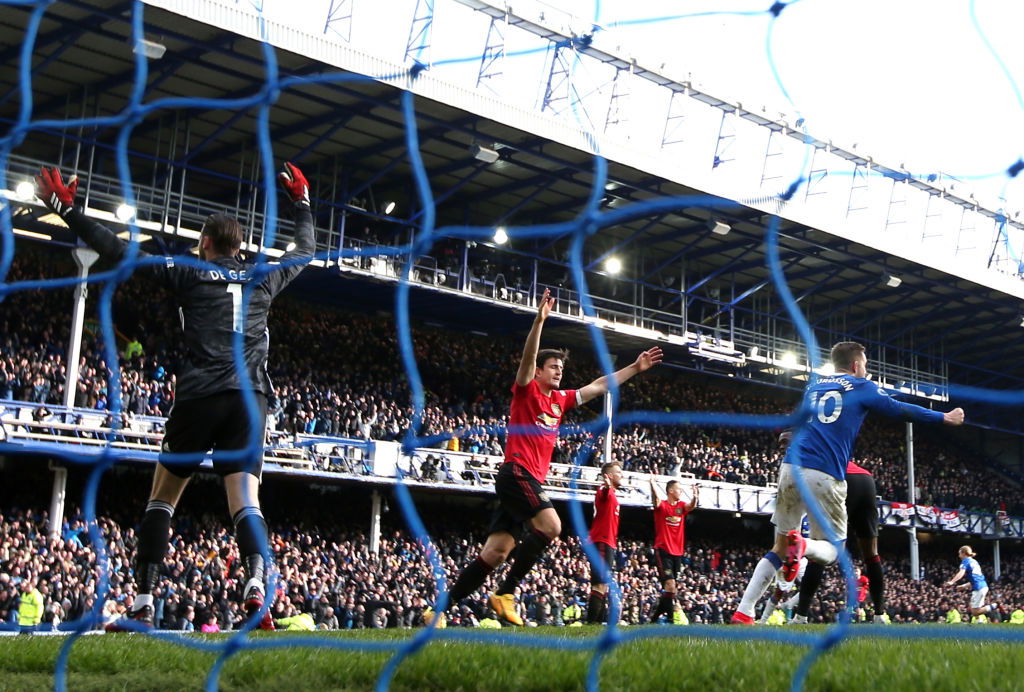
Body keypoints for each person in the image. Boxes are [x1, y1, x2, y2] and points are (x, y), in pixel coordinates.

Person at [35, 162, 315, 631]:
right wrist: (302, 202)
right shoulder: (264, 277)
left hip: (199, 395)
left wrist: (66, 209)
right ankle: (255, 588)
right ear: (241, 247)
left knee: (162, 499)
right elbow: (306, 248)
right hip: (249, 400)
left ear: (204, 244)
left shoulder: (187, 272)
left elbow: (117, 251)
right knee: (246, 499)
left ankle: (143, 603)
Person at [443, 288, 663, 626]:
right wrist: (539, 322)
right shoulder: (527, 390)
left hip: (525, 481)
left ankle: (437, 611)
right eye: (553, 366)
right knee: (551, 526)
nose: (558, 371)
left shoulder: (560, 401)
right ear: (540, 371)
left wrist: (635, 367)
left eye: (561, 366)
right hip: (517, 473)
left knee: (495, 553)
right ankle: (505, 593)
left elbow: (600, 385)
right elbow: (527, 360)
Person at [731, 341, 964, 624]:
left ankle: (744, 611)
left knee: (778, 548)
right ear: (856, 365)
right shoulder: (862, 386)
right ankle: (802, 546)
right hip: (825, 473)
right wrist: (944, 417)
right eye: (864, 364)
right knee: (831, 550)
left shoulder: (813, 385)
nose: (865, 369)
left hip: (790, 468)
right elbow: (899, 409)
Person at [792, 459, 888, 623]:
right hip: (865, 479)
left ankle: (801, 616)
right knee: (871, 554)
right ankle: (880, 615)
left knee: (820, 551)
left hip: (838, 478)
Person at [648, 477, 698, 623]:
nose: (680, 490)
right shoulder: (662, 506)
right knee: (670, 585)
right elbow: (655, 500)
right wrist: (652, 485)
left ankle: (655, 618)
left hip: (677, 552)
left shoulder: (681, 506)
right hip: (663, 549)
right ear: (670, 491)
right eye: (678, 488)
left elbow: (691, 506)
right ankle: (670, 620)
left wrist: (695, 496)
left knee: (671, 589)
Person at [586, 461, 623, 624]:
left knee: (603, 585)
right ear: (609, 476)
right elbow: (605, 492)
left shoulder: (613, 494)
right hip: (601, 540)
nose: (622, 475)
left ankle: (596, 625)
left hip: (608, 542)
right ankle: (591, 624)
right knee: (599, 584)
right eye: (619, 472)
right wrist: (607, 486)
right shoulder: (603, 490)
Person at [945, 545, 999, 622]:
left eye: (959, 553)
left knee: (975, 611)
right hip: (981, 586)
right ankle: (979, 621)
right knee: (974, 608)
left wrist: (952, 581)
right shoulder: (974, 561)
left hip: (979, 587)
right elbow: (974, 578)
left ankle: (995, 605)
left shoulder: (966, 561)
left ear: (964, 553)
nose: (959, 556)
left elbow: (961, 573)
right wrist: (964, 586)